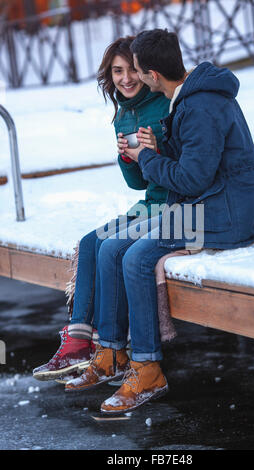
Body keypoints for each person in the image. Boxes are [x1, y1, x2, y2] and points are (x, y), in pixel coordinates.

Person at [72, 28, 254, 415]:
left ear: (151, 74)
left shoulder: (200, 106)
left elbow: (192, 179)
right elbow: (193, 169)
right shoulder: (189, 100)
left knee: (138, 257)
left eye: (138, 71)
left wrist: (147, 156)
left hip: (224, 213)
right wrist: (153, 150)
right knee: (112, 246)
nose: (135, 79)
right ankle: (112, 352)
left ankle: (147, 367)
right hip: (207, 204)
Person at [32, 36, 170, 383]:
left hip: (174, 207)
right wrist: (127, 159)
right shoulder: (122, 115)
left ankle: (109, 347)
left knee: (110, 247)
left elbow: (185, 166)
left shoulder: (165, 103)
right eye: (117, 71)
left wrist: (156, 149)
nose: (126, 79)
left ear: (145, 71)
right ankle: (79, 340)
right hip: (150, 203)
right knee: (90, 241)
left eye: (131, 70)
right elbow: (138, 183)